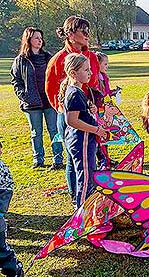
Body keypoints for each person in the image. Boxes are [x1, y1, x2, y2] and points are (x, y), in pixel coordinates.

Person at [45, 16, 99, 203]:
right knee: (73, 156)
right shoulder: (58, 59)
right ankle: (77, 197)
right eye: (83, 31)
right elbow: (51, 88)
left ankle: (86, 195)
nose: (87, 35)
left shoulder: (91, 56)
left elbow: (95, 84)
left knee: (88, 154)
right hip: (69, 114)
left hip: (88, 111)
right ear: (70, 33)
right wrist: (65, 108)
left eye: (88, 31)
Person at [10, 27, 63, 169]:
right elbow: (16, 80)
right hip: (31, 103)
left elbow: (57, 77)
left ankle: (58, 159)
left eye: (41, 38)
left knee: (54, 130)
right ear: (29, 40)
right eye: (36, 38)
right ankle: (38, 159)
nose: (40, 41)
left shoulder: (48, 57)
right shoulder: (21, 60)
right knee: (36, 132)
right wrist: (23, 95)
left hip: (49, 101)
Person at [59, 53, 107, 208]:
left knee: (88, 176)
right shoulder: (73, 93)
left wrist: (90, 108)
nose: (90, 73)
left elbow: (80, 114)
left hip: (85, 140)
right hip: (82, 141)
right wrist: (96, 129)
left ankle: (87, 211)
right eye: (86, 70)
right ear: (73, 73)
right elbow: (72, 120)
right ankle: (81, 215)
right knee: (86, 179)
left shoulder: (78, 91)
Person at [0, 142, 24, 277]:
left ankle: (14, 268)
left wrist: (1, 210)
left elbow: (6, 190)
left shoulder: (2, 170)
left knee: (1, 251)